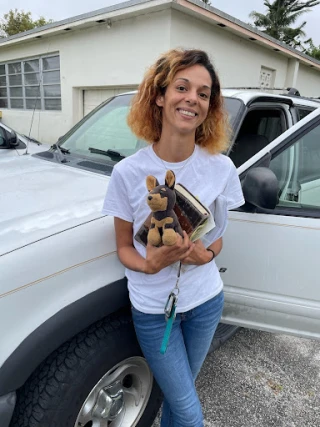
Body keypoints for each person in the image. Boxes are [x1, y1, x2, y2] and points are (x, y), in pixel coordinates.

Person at [102, 48, 244, 427]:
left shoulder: (221, 168)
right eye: (182, 87)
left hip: (206, 302)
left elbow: (219, 237)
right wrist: (149, 265)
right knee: (189, 412)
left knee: (180, 404)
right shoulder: (128, 173)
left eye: (203, 93)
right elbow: (122, 247)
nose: (192, 99)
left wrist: (205, 256)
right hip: (153, 311)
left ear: (209, 106)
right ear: (160, 96)